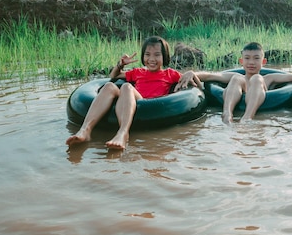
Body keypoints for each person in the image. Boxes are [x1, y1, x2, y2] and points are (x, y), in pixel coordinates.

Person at [66, 36, 195, 150]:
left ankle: (122, 133)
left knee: (127, 87)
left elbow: (199, 80)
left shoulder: (170, 74)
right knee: (109, 86)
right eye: (147, 54)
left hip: (147, 104)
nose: (151, 59)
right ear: (143, 56)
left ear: (164, 56)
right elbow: (113, 76)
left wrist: (191, 72)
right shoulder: (137, 72)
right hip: (131, 100)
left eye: (157, 55)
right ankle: (85, 130)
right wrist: (120, 65)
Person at [176, 42, 292, 124]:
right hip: (234, 92)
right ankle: (227, 114)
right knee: (237, 78)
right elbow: (210, 75)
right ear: (241, 61)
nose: (251, 62)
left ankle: (247, 117)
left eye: (256, 58)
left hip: (256, 104)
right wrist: (192, 73)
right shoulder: (235, 76)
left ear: (263, 62)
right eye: (247, 58)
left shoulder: (270, 78)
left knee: (257, 78)